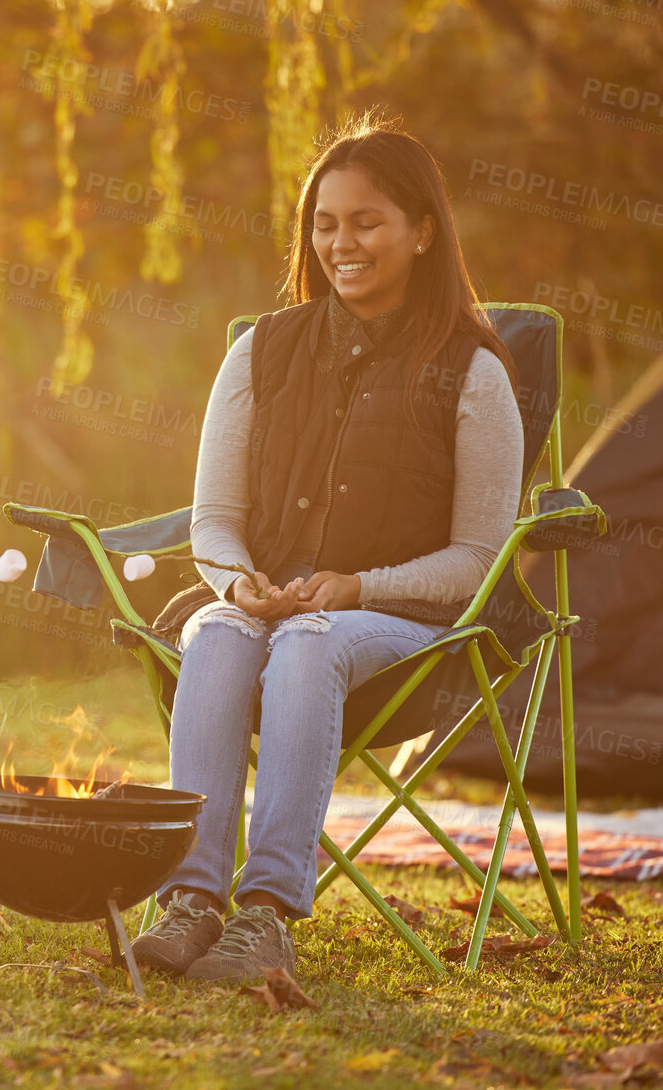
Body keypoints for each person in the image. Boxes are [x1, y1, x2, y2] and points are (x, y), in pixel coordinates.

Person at [129, 115, 524, 982]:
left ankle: (264, 914)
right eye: (324, 223)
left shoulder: (472, 371)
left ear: (422, 231)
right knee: (216, 633)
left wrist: (356, 587)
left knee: (307, 640)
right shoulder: (258, 351)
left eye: (366, 221)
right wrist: (237, 584)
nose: (341, 243)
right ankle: (192, 898)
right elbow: (213, 518)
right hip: (262, 611)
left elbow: (477, 561)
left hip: (407, 637)